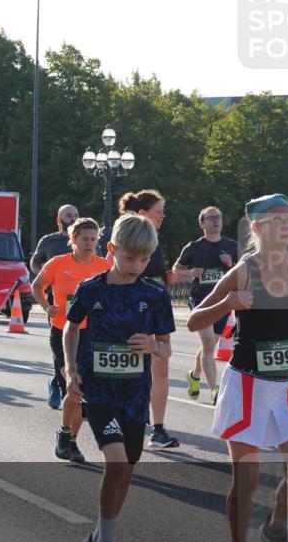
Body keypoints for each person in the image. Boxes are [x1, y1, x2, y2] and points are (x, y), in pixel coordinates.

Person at [188, 194, 288, 542]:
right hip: (248, 385)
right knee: (248, 477)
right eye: (276, 221)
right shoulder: (245, 269)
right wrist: (230, 303)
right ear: (256, 228)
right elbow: (194, 320)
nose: (286, 226)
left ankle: (274, 527)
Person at [65, 213, 175, 542]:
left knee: (125, 470)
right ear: (112, 250)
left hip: (134, 394)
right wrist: (70, 371)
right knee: (115, 462)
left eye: (144, 259)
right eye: (130, 258)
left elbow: (166, 347)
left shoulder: (155, 294)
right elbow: (70, 327)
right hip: (99, 392)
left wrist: (154, 346)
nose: (137, 266)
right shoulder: (91, 289)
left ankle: (97, 536)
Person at [31, 218, 110, 462]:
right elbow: (37, 286)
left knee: (84, 393)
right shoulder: (58, 263)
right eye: (84, 239)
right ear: (73, 240)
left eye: (93, 239)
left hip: (94, 334)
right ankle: (66, 436)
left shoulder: (105, 266)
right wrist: (47, 307)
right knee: (74, 384)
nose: (89, 243)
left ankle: (69, 440)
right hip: (63, 332)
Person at [108, 190, 180, 450]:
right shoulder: (126, 239)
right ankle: (114, 416)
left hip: (154, 307)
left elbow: (154, 273)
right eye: (159, 210)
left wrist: (166, 275)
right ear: (142, 213)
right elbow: (110, 269)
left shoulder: (155, 239)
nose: (163, 215)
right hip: (127, 310)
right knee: (128, 366)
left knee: (161, 364)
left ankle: (158, 429)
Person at [173, 207, 240, 405]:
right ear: (202, 223)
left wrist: (230, 264)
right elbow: (177, 270)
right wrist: (190, 273)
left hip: (222, 303)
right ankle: (214, 390)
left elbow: (244, 272)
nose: (215, 221)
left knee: (208, 346)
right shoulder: (194, 247)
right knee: (209, 344)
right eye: (210, 218)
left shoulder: (232, 246)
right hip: (200, 301)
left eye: (218, 217)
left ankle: (194, 376)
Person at [32, 204, 80, 407]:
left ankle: (61, 381)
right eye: (69, 215)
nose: (73, 218)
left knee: (79, 346)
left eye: (76, 215)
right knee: (60, 343)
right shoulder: (49, 241)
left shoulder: (83, 240)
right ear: (59, 220)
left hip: (81, 299)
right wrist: (47, 276)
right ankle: (61, 387)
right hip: (57, 301)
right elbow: (34, 263)